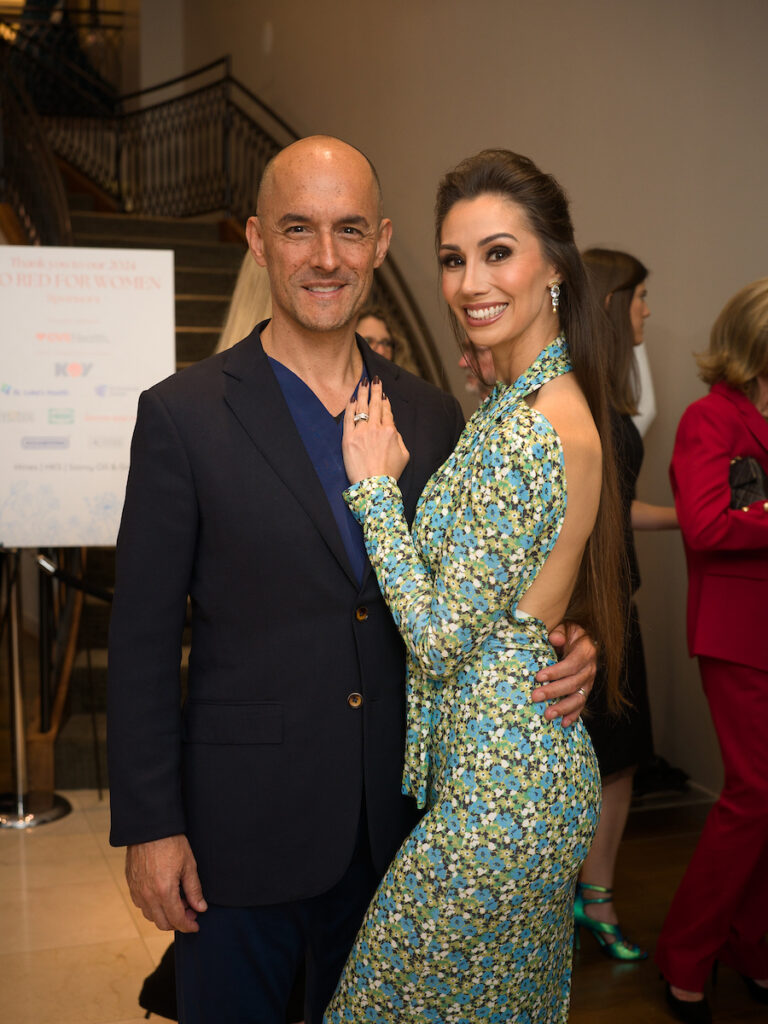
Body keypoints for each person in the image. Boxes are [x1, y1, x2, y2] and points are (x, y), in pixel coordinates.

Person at [107, 136, 598, 1024]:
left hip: (397, 828)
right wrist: (151, 825)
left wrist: (562, 639)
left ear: (381, 243)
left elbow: (488, 575)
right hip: (240, 838)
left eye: (349, 230)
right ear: (259, 241)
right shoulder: (184, 414)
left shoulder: (433, 412)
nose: (326, 257)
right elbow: (139, 641)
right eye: (299, 229)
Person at [325, 149, 625, 1023]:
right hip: (507, 776)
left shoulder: (532, 428)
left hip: (504, 797)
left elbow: (438, 637)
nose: (470, 282)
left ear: (554, 267)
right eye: (454, 259)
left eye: (499, 253)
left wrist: (375, 492)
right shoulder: (520, 405)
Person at [656, 278, 768, 1023]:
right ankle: (685, 954)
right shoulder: (710, 417)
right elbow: (704, 525)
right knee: (754, 796)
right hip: (737, 634)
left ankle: (750, 947)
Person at [574, 248, 678, 960]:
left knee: (619, 759)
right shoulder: (585, 411)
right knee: (607, 761)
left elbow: (616, 511)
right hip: (592, 618)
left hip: (611, 608)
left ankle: (593, 895)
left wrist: (690, 518)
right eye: (639, 297)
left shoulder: (603, 406)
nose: (647, 310)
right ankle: (591, 898)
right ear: (614, 305)